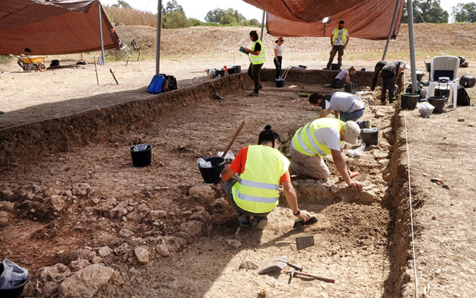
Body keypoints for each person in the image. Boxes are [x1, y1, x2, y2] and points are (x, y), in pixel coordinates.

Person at [221, 125, 312, 230]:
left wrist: (226, 167)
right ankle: (260, 217)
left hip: (242, 205)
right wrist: (297, 212)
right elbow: (288, 189)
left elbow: (225, 177)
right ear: (276, 142)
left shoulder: (246, 151)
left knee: (229, 180)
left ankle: (243, 215)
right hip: (267, 208)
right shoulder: (282, 159)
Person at [289, 118, 364, 191]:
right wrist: (349, 181)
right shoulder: (333, 132)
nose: (346, 140)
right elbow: (337, 158)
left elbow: (340, 151)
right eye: (347, 138)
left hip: (304, 144)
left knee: (325, 167)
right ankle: (289, 167)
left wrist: (344, 170)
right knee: (323, 174)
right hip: (300, 149)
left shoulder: (342, 127)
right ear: (342, 131)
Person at [244, 30, 265, 97]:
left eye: (250, 37)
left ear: (253, 36)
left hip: (257, 62)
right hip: (254, 62)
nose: (250, 38)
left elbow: (257, 53)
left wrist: (248, 51)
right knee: (250, 73)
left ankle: (256, 91)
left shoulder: (258, 43)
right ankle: (258, 85)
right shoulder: (256, 43)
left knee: (255, 75)